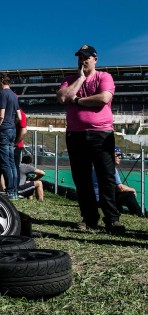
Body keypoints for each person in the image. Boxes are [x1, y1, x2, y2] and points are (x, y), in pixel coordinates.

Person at [57, 44, 124, 233]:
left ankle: (112, 219)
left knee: (106, 177)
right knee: (82, 178)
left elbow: (103, 98)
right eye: (80, 57)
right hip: (76, 135)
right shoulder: (71, 79)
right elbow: (62, 98)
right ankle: (89, 218)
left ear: (95, 59)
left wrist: (77, 100)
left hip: (101, 134)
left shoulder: (104, 77)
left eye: (87, 57)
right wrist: (80, 79)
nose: (83, 60)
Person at [0, 73, 20, 199]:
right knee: (11, 162)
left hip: (2, 131)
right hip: (11, 131)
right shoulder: (13, 95)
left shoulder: (2, 94)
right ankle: (14, 190)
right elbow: (19, 116)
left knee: (4, 162)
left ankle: (10, 190)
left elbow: (0, 115)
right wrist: (11, 124)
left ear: (1, 80)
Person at [93, 147, 143, 217]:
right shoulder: (111, 168)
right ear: (110, 155)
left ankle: (121, 211)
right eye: (118, 155)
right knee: (129, 195)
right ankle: (139, 215)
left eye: (121, 155)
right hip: (101, 200)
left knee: (117, 193)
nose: (120, 157)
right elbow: (120, 187)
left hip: (97, 199)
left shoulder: (100, 165)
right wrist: (133, 190)